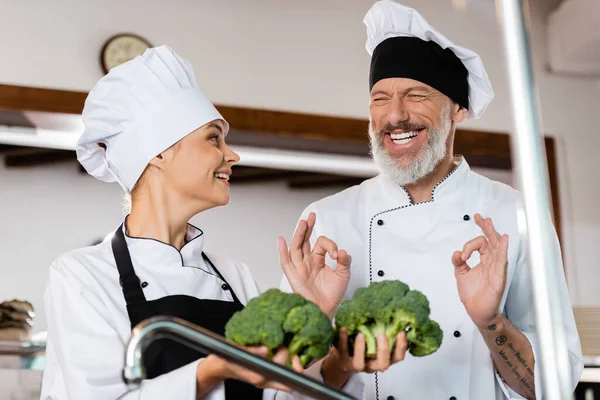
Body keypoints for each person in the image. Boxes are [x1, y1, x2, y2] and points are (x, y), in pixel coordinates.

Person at [39, 46, 384, 400]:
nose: (232, 154)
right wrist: (214, 368)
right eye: (213, 138)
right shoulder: (83, 276)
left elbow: (275, 396)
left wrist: (317, 319)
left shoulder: (233, 276)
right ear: (157, 152)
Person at [280, 2, 583, 399]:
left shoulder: (514, 214)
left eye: (416, 95)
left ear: (457, 108)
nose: (394, 116)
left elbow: (553, 386)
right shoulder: (326, 219)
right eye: (379, 98)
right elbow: (279, 391)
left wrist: (490, 321)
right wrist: (328, 338)